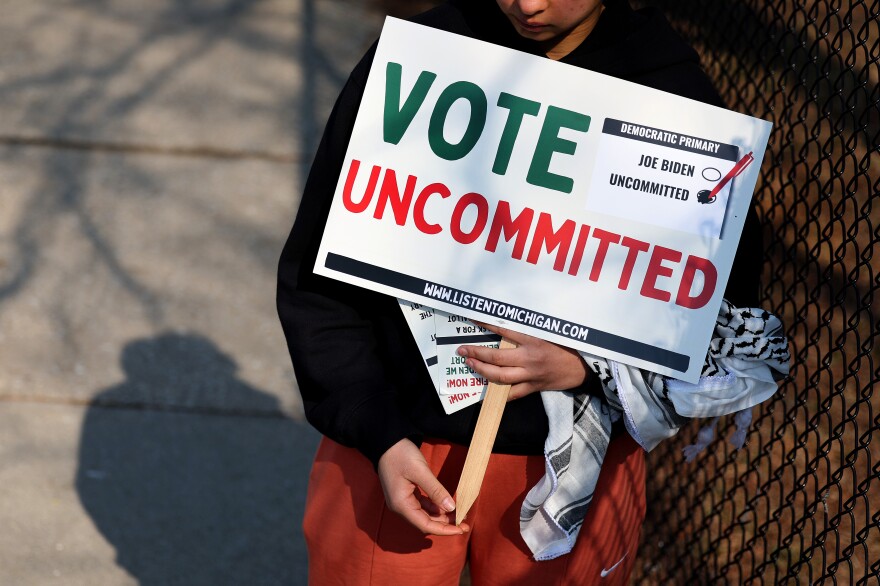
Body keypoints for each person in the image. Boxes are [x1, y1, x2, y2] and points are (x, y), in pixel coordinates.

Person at [277, 1, 763, 583]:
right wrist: (374, 428)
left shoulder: (677, 102)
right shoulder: (418, 60)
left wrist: (589, 365)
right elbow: (319, 278)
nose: (527, 2)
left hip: (574, 461)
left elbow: (713, 317)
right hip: (391, 438)